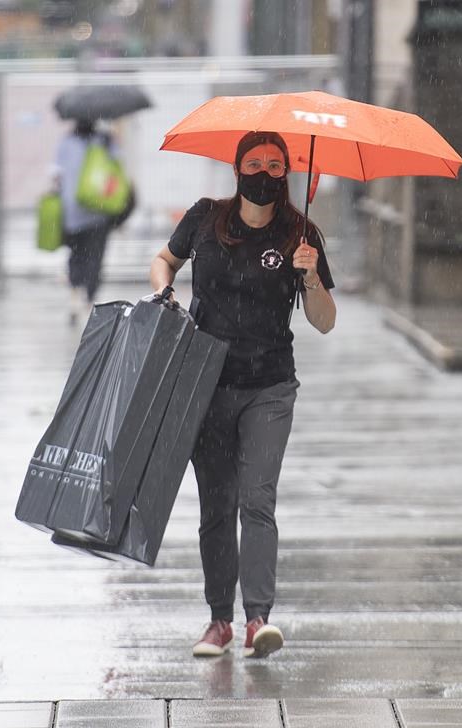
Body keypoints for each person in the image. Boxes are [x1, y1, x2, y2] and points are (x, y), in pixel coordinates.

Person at [149, 131, 336, 659]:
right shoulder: (207, 219)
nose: (264, 173)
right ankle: (219, 621)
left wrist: (312, 277)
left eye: (276, 165)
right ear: (237, 169)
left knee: (257, 499)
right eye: (253, 162)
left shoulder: (302, 234)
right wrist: (164, 291)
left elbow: (324, 322)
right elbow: (163, 260)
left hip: (270, 386)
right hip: (205, 383)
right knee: (217, 504)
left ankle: (259, 619)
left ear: (288, 173)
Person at [55, 119, 115, 326]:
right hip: (98, 210)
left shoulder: (66, 143)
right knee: (95, 257)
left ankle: (74, 295)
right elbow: (117, 171)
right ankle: (89, 299)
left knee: (76, 255)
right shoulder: (104, 142)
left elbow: (57, 174)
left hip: (72, 212)